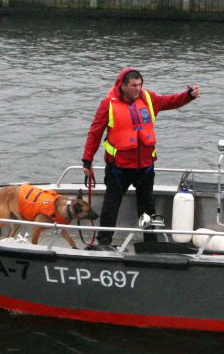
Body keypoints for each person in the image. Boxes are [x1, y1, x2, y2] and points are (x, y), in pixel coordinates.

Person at [82, 68, 200, 246]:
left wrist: (188, 95)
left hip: (145, 167)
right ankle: (104, 241)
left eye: (140, 84)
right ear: (122, 86)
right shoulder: (108, 104)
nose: (138, 88)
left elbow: (170, 101)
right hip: (118, 168)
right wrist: (87, 160)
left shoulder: (149, 99)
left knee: (147, 208)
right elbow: (95, 133)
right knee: (111, 206)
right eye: (134, 85)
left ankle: (150, 242)